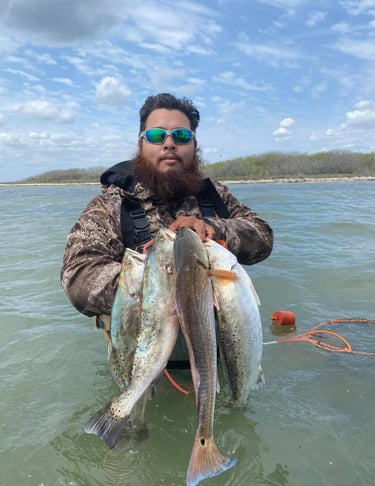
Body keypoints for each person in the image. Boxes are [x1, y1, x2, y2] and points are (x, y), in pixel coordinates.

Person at [61, 93, 273, 360]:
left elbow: (263, 238)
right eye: (157, 135)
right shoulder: (112, 204)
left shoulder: (215, 195)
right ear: (141, 144)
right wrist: (166, 283)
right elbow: (78, 276)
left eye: (181, 136)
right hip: (143, 361)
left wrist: (214, 227)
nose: (169, 143)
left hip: (222, 356)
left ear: (194, 145)